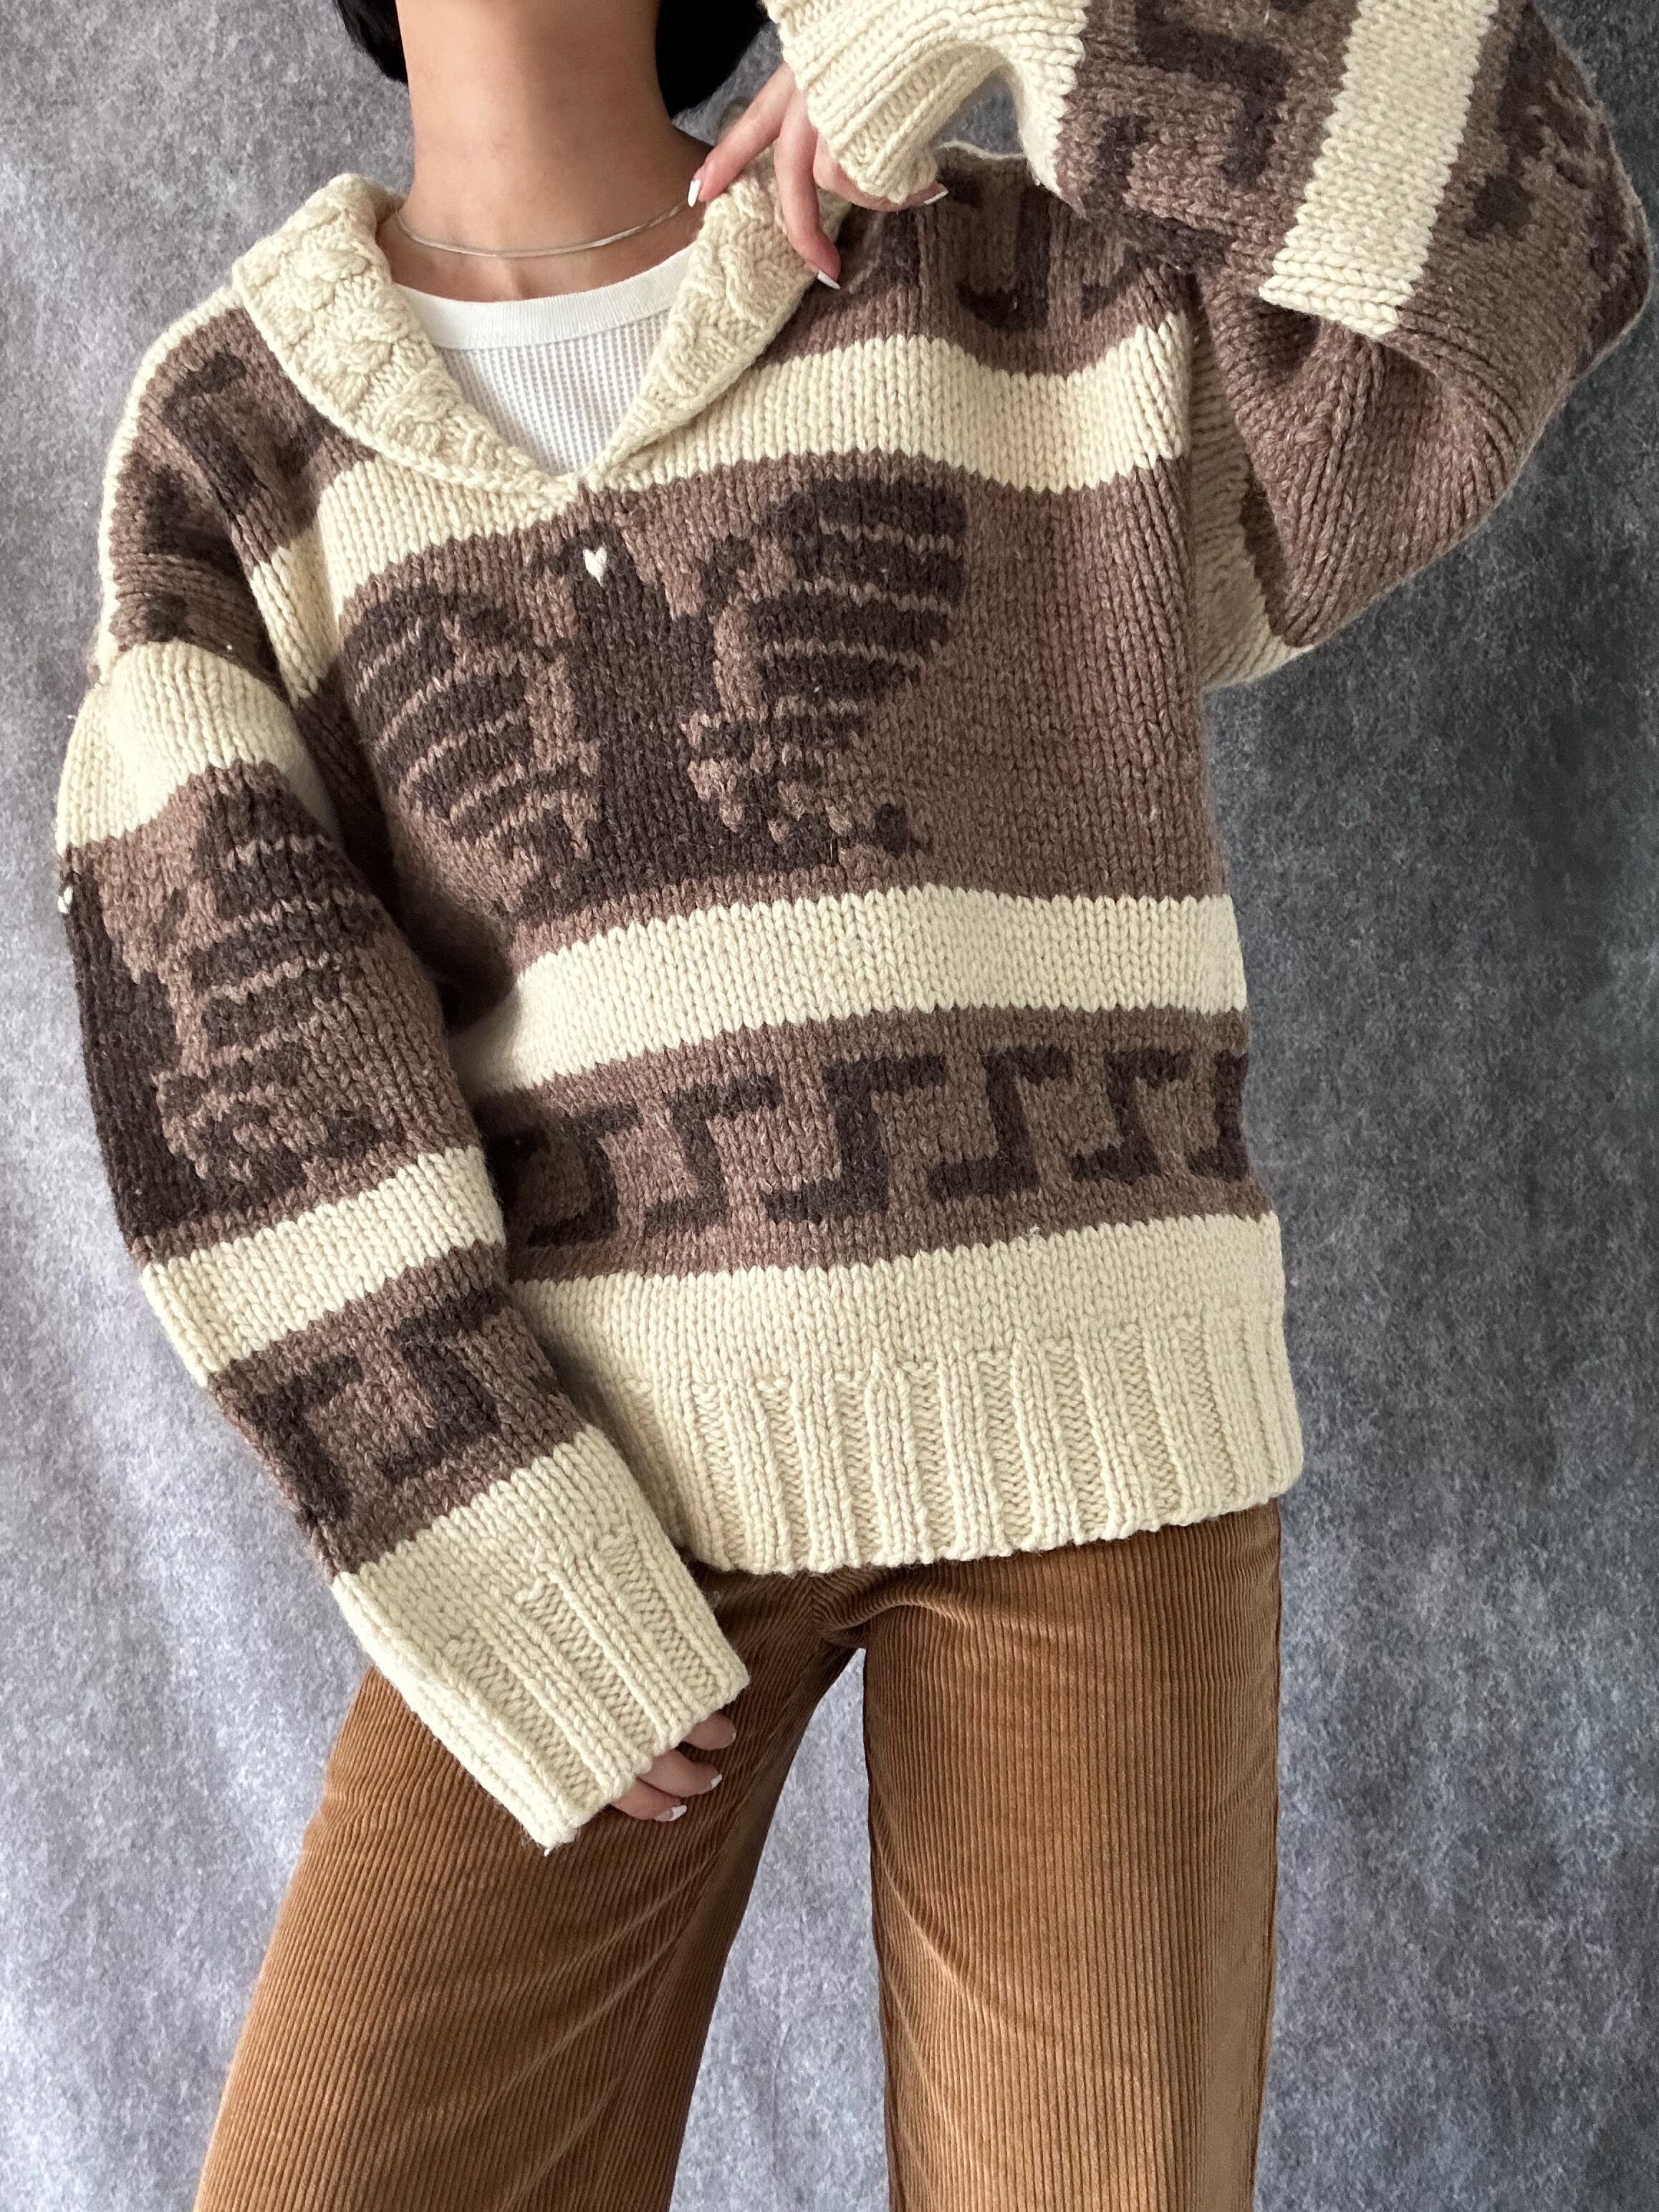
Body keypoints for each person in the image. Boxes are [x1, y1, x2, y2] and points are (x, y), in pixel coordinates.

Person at [53, 0, 1648, 2205]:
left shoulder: (1014, 277)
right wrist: (502, 1547)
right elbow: (238, 1063)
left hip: (1100, 1442)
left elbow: (1530, 248)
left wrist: (1005, 3)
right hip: (595, 1497)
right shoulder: (237, 441)